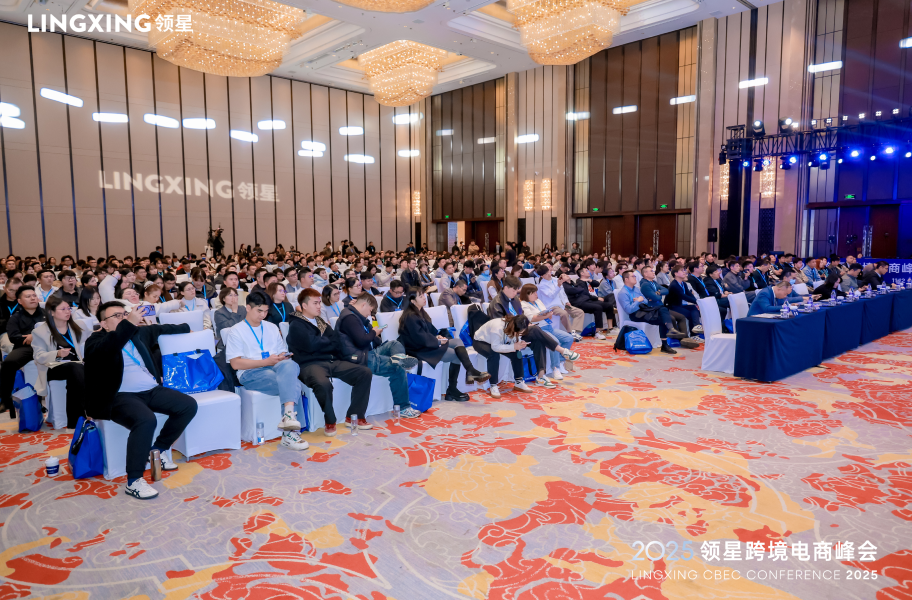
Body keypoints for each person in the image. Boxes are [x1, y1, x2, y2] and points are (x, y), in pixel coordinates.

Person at [84, 301, 197, 500]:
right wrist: (129, 323)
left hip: (150, 389)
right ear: (104, 324)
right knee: (146, 420)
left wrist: (187, 328)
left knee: (187, 405)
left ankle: (158, 449)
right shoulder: (95, 341)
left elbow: (161, 328)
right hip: (119, 396)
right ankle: (134, 480)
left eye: (124, 314)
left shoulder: (137, 334)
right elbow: (108, 348)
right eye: (117, 316)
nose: (123, 318)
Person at [225, 291, 307, 450]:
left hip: (275, 366)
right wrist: (265, 362)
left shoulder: (271, 327)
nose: (263, 315)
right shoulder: (236, 330)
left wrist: (282, 357)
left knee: (291, 365)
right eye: (259, 311)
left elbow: (282, 352)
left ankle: (288, 417)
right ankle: (290, 433)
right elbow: (235, 364)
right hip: (250, 372)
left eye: (266, 311)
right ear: (248, 308)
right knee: (294, 384)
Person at [287, 288, 374, 436]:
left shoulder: (321, 323)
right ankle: (330, 420)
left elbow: (336, 343)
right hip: (309, 364)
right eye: (315, 303)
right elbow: (310, 345)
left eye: (319, 303)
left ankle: (354, 416)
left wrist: (321, 344)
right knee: (323, 383)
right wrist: (325, 343)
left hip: (331, 360)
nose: (319, 306)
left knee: (364, 372)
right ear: (304, 306)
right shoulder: (296, 324)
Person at [337, 292, 421, 419]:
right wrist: (374, 332)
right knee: (397, 369)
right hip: (358, 358)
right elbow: (362, 340)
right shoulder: (350, 318)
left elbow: (371, 338)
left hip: (367, 352)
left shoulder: (357, 316)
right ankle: (403, 407)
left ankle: (399, 359)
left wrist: (373, 331)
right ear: (364, 305)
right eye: (370, 310)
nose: (369, 314)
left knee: (394, 344)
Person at [398, 288, 490, 401]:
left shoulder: (420, 312)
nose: (424, 298)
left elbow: (429, 331)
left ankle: (470, 371)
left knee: (457, 341)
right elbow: (419, 338)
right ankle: (453, 389)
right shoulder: (410, 316)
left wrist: (437, 336)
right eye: (420, 296)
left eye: (423, 295)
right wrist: (437, 341)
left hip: (426, 344)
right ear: (412, 301)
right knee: (456, 354)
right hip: (418, 349)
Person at [32, 296, 87, 430]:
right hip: (54, 367)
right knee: (75, 368)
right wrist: (57, 353)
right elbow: (38, 357)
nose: (68, 311)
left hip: (77, 365)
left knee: (76, 371)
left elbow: (90, 342)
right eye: (63, 309)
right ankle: (82, 416)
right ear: (51, 312)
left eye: (69, 308)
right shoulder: (40, 332)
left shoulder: (78, 326)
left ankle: (76, 421)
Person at [0, 286, 46, 415]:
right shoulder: (15, 317)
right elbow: (14, 337)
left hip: (46, 346)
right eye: (28, 296)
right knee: (8, 363)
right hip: (25, 347)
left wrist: (34, 336)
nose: (32, 298)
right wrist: (28, 339)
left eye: (34, 295)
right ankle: (5, 400)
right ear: (20, 301)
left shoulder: (47, 313)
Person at [618, 270, 683, 355]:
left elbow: (645, 301)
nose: (635, 278)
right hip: (636, 314)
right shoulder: (623, 293)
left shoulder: (636, 289)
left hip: (644, 310)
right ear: (626, 279)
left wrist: (640, 300)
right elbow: (629, 310)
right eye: (633, 276)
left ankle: (669, 334)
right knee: (663, 317)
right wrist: (638, 301)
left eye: (635, 276)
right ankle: (666, 342)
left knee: (663, 310)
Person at [520, 284, 576, 381]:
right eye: (533, 293)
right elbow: (532, 318)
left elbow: (548, 315)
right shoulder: (523, 304)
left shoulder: (538, 301)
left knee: (568, 338)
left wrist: (547, 314)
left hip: (549, 327)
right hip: (540, 329)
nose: (536, 294)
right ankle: (555, 368)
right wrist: (545, 316)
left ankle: (561, 361)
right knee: (555, 342)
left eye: (536, 292)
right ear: (527, 294)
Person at [535, 266, 585, 339]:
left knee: (579, 312)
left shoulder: (556, 279)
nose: (549, 274)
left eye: (549, 272)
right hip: (552, 306)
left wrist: (566, 301)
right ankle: (570, 332)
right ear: (542, 276)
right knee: (564, 313)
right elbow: (551, 295)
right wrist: (558, 285)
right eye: (546, 274)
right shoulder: (542, 285)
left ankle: (575, 331)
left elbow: (563, 293)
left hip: (563, 304)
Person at [562, 268, 613, 339]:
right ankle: (597, 332)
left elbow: (595, 285)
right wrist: (595, 298)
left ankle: (610, 328)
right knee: (598, 307)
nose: (567, 275)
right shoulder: (570, 284)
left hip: (587, 300)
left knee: (609, 305)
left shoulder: (573, 283)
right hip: (578, 303)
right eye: (564, 275)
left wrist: (589, 280)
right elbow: (576, 291)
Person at [665, 265, 702, 334]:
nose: (684, 272)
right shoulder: (674, 285)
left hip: (679, 305)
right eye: (682, 271)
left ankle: (696, 327)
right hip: (672, 307)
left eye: (684, 270)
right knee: (690, 314)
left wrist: (697, 303)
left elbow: (689, 294)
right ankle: (694, 333)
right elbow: (684, 296)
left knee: (694, 308)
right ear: (676, 274)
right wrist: (697, 302)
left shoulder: (683, 283)